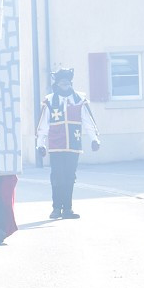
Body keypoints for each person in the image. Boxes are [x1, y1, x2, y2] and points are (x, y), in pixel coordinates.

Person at [36, 68, 101, 220]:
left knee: (70, 176)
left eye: (67, 80)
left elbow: (87, 121)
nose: (64, 83)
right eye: (61, 80)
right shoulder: (50, 101)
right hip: (56, 144)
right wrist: (41, 143)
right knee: (57, 176)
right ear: (57, 83)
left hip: (73, 144)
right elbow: (43, 124)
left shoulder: (79, 100)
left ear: (70, 82)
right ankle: (56, 208)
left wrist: (94, 139)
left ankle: (68, 209)